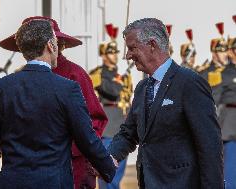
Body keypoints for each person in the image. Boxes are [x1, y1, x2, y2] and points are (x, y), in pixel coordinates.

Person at [0, 17, 116, 189]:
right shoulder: (67, 88)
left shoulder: (1, 87)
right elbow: (86, 138)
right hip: (53, 182)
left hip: (12, 182)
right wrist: (108, 166)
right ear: (51, 46)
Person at [108, 18, 224, 189]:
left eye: (132, 48)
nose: (128, 55)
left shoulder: (190, 83)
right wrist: (110, 155)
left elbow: (209, 146)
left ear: (152, 45)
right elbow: (129, 132)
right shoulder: (141, 88)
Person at [89, 23, 132, 189]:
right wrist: (116, 83)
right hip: (106, 125)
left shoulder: (123, 76)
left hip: (122, 124)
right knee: (107, 172)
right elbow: (111, 92)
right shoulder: (97, 75)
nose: (114, 55)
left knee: (118, 172)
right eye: (110, 52)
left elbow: (127, 97)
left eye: (115, 52)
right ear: (103, 54)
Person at [212, 34, 236, 189]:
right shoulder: (220, 74)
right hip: (229, 128)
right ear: (231, 52)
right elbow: (212, 100)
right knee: (231, 175)